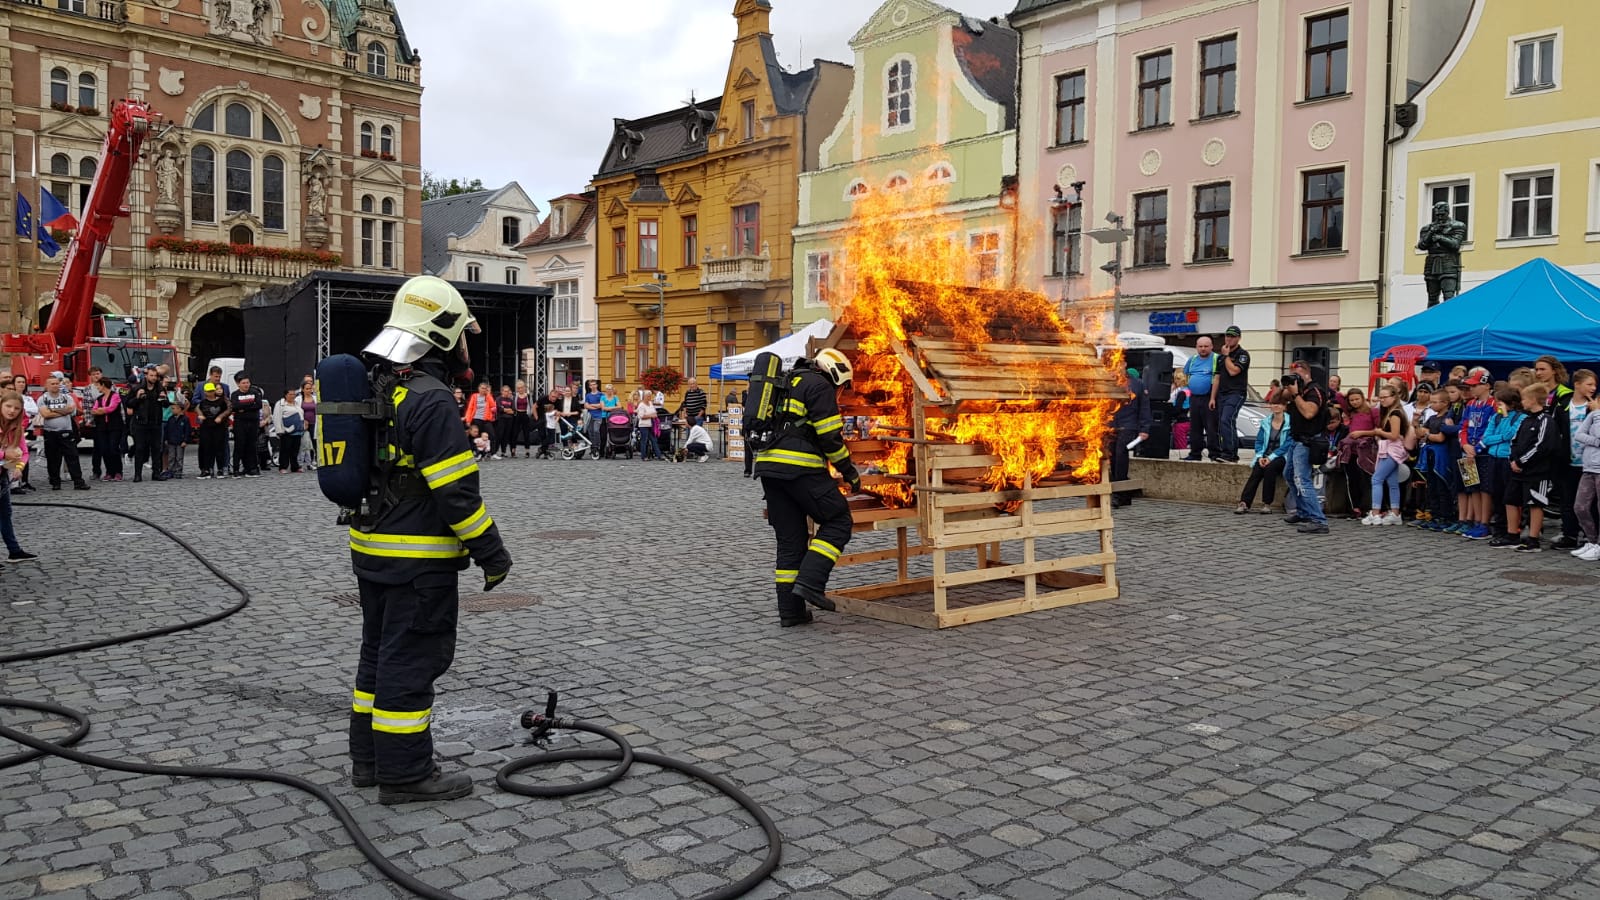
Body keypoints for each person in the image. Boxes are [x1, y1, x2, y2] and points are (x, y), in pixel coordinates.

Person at [345, 275, 512, 804]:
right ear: (442, 333)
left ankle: (368, 761)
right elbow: (456, 494)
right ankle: (406, 774)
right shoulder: (433, 399)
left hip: (371, 549)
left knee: (376, 655)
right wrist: (493, 555)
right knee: (411, 661)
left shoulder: (378, 385)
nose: (467, 345)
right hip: (419, 560)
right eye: (462, 333)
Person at [754, 349, 859, 628]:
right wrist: (850, 473)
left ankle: (792, 613)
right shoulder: (819, 385)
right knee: (838, 520)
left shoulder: (787, 381)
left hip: (769, 469)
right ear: (834, 373)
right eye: (841, 387)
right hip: (800, 468)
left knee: (790, 542)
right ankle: (811, 583)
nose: (839, 393)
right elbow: (830, 438)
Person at [1500, 383, 1561, 553]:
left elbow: (1542, 446)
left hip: (1537, 471)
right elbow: (1515, 440)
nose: (1522, 402)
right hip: (1518, 470)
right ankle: (1512, 535)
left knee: (1535, 503)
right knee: (1510, 500)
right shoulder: (1526, 419)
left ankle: (1533, 539)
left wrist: (1521, 462)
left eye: (1525, 399)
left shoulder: (1546, 420)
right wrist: (1513, 459)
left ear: (1534, 400)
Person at [1280, 360, 1330, 534]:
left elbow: (1309, 412)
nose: (1295, 379)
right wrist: (1287, 387)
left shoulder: (1315, 391)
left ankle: (1319, 520)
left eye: (1298, 375)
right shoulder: (1298, 391)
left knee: (1302, 480)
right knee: (1289, 475)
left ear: (1307, 374)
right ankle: (1303, 512)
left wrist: (1296, 395)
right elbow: (1275, 399)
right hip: (1296, 439)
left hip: (1309, 441)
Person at [1478, 387, 1525, 544]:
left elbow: (1511, 434)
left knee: (1508, 495)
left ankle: (1511, 529)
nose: (1497, 406)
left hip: (1507, 459)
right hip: (1493, 458)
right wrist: (1501, 437)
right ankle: (1498, 528)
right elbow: (1487, 438)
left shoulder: (1519, 417)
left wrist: (1505, 417)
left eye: (1500, 403)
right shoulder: (1495, 418)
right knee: (1495, 493)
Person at [0, 390, 38, 564]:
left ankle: (14, 551)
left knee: (6, 514)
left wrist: (19, 467)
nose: (11, 411)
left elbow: (23, 452)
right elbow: (8, 454)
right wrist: (4, 455)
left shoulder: (17, 428)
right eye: (8, 406)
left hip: (2, 477)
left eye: (16, 408)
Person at [1363, 385, 1411, 525]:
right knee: (1392, 482)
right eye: (1381, 397)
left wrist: (1379, 432)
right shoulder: (1394, 412)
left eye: (1385, 397)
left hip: (1392, 450)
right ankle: (1395, 512)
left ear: (1394, 397)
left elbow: (1394, 435)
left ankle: (1375, 512)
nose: (1382, 400)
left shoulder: (1395, 414)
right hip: (1393, 449)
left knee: (1376, 479)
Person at [1236, 397, 1290, 514]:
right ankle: (1244, 502)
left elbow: (1287, 445)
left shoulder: (1290, 423)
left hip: (1282, 456)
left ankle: (1267, 503)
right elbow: (1259, 442)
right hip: (1265, 454)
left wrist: (1270, 458)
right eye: (1274, 403)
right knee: (1257, 470)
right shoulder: (1266, 422)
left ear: (1284, 406)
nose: (1276, 406)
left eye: (1279, 404)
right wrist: (1260, 456)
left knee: (1270, 469)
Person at [37, 375, 89, 491]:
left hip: (66, 432)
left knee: (73, 457)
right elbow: (46, 415)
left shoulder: (67, 397)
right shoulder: (42, 399)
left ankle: (78, 482)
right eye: (52, 384)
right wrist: (63, 411)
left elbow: (71, 410)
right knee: (53, 459)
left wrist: (53, 410)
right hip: (50, 433)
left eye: (57, 383)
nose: (55, 386)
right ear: (47, 385)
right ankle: (55, 482)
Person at [1110, 367, 1151, 508]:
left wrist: (1144, 429)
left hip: (1129, 425)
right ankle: (1126, 493)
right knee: (1113, 458)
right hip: (1111, 426)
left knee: (1121, 456)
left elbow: (1144, 407)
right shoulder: (1108, 383)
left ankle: (1119, 494)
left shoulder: (1137, 384)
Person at [1570, 388, 1600, 561]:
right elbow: (1579, 435)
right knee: (1580, 507)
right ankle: (1592, 540)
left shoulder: (1595, 415)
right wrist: (1596, 442)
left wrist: (1597, 415)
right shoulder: (1593, 416)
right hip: (1589, 467)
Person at [1340, 388, 1379, 519]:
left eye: (1357, 399)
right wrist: (1345, 394)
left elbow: (1378, 430)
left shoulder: (1373, 412)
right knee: (1352, 478)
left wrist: (1362, 433)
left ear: (1363, 398)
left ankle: (1369, 506)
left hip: (1366, 448)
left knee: (1367, 478)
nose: (1355, 402)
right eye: (1351, 400)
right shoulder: (1351, 413)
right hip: (1351, 449)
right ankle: (1355, 507)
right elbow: (1339, 397)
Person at [1213, 326, 1250, 463]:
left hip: (1236, 393)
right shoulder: (1220, 357)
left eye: (1233, 336)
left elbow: (1234, 371)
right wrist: (1212, 397)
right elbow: (1217, 377)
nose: (1229, 338)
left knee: (1226, 419)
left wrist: (1227, 356)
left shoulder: (1243, 355)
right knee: (1223, 423)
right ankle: (1226, 451)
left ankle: (1231, 453)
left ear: (1238, 338)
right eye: (1227, 335)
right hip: (1222, 394)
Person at [1181, 337, 1219, 461]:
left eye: (1206, 346)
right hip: (1194, 398)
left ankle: (1214, 454)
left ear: (1211, 346)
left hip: (1210, 398)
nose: (1203, 349)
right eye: (1200, 346)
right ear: (1196, 347)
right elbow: (1185, 374)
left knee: (1211, 427)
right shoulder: (1192, 360)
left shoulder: (1216, 359)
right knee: (1195, 427)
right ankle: (1195, 453)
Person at [193, 365, 231, 475]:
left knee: (222, 445)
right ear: (210, 375)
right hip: (206, 421)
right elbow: (195, 401)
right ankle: (206, 468)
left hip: (220, 422)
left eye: (219, 377)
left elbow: (227, 404)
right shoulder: (201, 386)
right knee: (206, 446)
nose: (218, 379)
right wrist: (208, 400)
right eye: (216, 377)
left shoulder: (225, 387)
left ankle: (223, 466)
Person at [229, 373, 267, 478]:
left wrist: (244, 408)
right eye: (243, 383)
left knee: (252, 445)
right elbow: (235, 406)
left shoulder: (255, 392)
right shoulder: (235, 394)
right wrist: (250, 405)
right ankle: (236, 469)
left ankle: (252, 468)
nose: (246, 385)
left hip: (253, 422)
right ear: (238, 384)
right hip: (240, 423)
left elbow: (258, 405)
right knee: (239, 445)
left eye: (247, 382)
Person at [90, 376, 124, 482]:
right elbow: (93, 410)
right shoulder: (99, 398)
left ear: (103, 385)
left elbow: (112, 408)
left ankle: (118, 472)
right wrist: (102, 410)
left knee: (113, 448)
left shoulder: (115, 396)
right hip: (102, 427)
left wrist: (102, 410)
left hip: (114, 426)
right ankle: (109, 472)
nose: (97, 388)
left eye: (98, 385)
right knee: (104, 449)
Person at [272, 387, 306, 473]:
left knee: (295, 450)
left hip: (297, 431)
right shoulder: (280, 404)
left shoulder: (297, 403)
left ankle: (295, 466)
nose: (292, 396)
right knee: (285, 450)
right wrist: (279, 430)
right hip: (286, 431)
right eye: (290, 394)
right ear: (285, 395)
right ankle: (283, 467)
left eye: (294, 394)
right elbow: (276, 417)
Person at [161, 397, 192, 479]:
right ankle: (170, 470)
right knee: (171, 457)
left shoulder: (185, 419)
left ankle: (178, 471)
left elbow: (187, 430)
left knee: (179, 457)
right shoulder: (170, 419)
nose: (172, 410)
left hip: (180, 442)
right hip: (171, 441)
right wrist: (166, 439)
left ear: (179, 409)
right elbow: (167, 430)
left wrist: (185, 440)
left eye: (173, 408)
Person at [633, 388, 660, 460]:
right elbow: (641, 416)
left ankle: (658, 455)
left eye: (650, 396)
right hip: (643, 425)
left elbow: (655, 413)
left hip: (651, 425)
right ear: (644, 397)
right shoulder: (641, 405)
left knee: (654, 440)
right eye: (648, 396)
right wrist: (651, 415)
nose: (649, 397)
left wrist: (650, 414)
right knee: (644, 441)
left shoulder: (650, 403)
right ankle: (643, 456)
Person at [492, 384, 517, 459]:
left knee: (506, 436)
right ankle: (495, 451)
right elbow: (499, 409)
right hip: (501, 419)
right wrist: (507, 410)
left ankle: (503, 452)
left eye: (508, 391)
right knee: (499, 435)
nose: (506, 393)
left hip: (509, 420)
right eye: (505, 391)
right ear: (502, 391)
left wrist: (505, 410)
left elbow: (514, 411)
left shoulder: (511, 400)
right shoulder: (498, 399)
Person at [515, 380, 535, 457]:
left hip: (525, 415)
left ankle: (527, 451)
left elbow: (532, 405)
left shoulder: (528, 396)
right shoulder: (515, 396)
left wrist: (530, 414)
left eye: (521, 388)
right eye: (518, 388)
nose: (520, 389)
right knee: (515, 433)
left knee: (526, 433)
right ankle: (513, 451)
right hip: (517, 414)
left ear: (524, 388)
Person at [581, 379, 604, 448]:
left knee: (596, 430)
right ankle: (593, 446)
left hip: (598, 416)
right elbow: (586, 406)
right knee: (590, 432)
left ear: (597, 385)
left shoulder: (601, 394)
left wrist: (591, 405)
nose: (593, 386)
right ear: (589, 387)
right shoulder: (588, 395)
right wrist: (595, 406)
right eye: (591, 385)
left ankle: (598, 445)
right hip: (590, 416)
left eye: (594, 384)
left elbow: (601, 405)